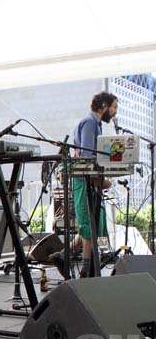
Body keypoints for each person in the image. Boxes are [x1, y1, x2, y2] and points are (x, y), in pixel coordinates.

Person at [50, 91, 116, 278]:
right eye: (114, 107)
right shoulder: (89, 123)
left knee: (92, 225)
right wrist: (100, 180)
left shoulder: (96, 125)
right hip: (85, 180)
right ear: (103, 106)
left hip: (90, 181)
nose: (114, 112)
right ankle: (87, 271)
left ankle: (63, 255)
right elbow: (87, 157)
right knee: (88, 225)